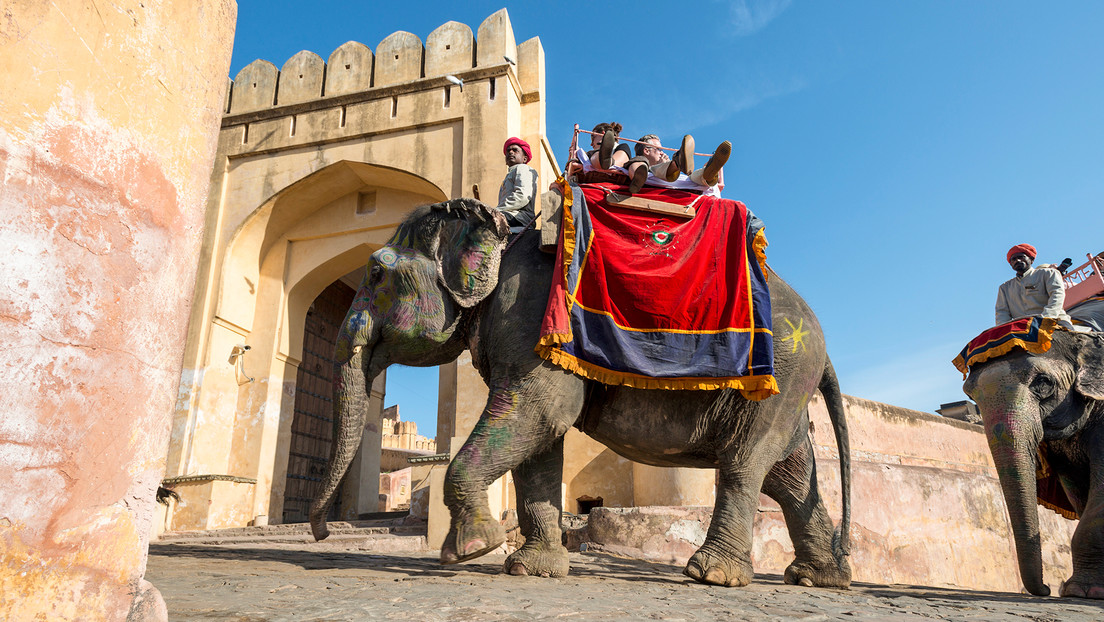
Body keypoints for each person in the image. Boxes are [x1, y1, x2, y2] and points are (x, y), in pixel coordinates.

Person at [995, 243, 1073, 326]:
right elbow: (1002, 313)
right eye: (1013, 259)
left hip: (1055, 321)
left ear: (1031, 259)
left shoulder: (1049, 274)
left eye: (1021, 257)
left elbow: (1057, 295)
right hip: (1022, 327)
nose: (1017, 260)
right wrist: (1002, 329)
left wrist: (1046, 318)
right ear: (1011, 264)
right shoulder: (1005, 288)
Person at [497, 137, 538, 227]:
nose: (511, 152)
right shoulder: (509, 176)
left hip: (519, 217)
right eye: (508, 151)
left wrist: (496, 211)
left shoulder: (523, 168)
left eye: (515, 150)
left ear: (524, 159)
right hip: (507, 214)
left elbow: (522, 196)